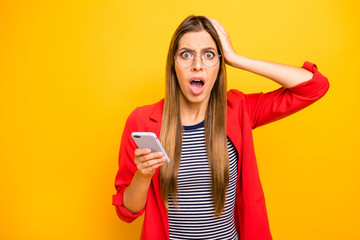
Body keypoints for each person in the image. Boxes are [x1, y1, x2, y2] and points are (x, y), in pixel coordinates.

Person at [112, 15, 330, 240]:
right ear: (173, 65)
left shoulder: (238, 110)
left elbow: (314, 87)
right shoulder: (142, 121)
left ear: (220, 64)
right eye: (186, 55)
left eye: (208, 55)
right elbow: (127, 211)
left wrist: (236, 59)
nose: (197, 65)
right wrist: (143, 175)